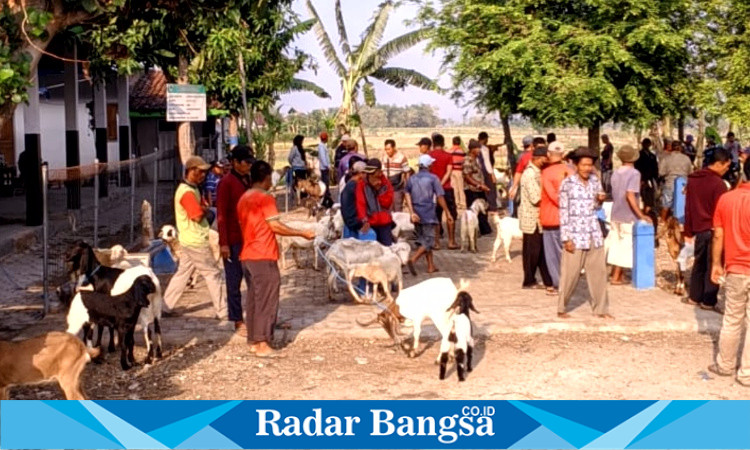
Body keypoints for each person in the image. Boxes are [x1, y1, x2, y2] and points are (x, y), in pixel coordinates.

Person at [237, 161, 315, 357]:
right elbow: (275, 226)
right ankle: (263, 343)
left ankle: (254, 341)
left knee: (254, 299)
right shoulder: (265, 198)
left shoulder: (244, 198)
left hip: (247, 255)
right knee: (267, 299)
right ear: (265, 178)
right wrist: (301, 233)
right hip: (263, 254)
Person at [163, 156, 227, 320]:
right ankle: (222, 311)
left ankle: (165, 307)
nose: (203, 175)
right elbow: (197, 216)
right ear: (191, 171)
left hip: (188, 239)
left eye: (205, 172)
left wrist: (204, 209)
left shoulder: (193, 189)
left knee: (182, 274)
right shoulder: (187, 192)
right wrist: (207, 211)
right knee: (213, 274)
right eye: (200, 172)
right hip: (196, 241)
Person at [708, 158, 750, 386]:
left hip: (735, 268)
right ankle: (746, 373)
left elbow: (718, 234)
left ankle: (725, 365)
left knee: (732, 318)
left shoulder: (727, 199)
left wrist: (716, 263)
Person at [558, 147, 612, 320]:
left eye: (590, 165)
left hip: (593, 233)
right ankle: (561, 307)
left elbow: (596, 207)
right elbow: (563, 211)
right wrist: (566, 238)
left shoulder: (596, 182)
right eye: (584, 165)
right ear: (575, 165)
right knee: (570, 274)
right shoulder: (567, 184)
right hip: (574, 234)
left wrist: (599, 200)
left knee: (598, 274)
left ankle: (601, 309)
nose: (587, 168)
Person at [683, 147, 731, 312]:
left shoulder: (693, 180)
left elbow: (687, 207)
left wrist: (688, 231)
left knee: (699, 263)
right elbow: (722, 210)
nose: (726, 170)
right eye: (726, 166)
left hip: (698, 229)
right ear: (719, 163)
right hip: (714, 229)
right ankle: (709, 300)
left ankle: (694, 296)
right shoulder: (718, 184)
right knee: (714, 264)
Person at [216, 145, 253, 336]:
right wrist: (223, 243)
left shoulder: (247, 180)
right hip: (232, 240)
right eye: (246, 162)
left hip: (249, 238)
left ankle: (256, 316)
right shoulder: (226, 183)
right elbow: (221, 214)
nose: (248, 166)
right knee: (234, 282)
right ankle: (237, 320)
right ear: (236, 163)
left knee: (253, 279)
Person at [607, 145, 652, 285]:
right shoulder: (634, 174)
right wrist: (641, 215)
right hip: (628, 214)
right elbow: (630, 195)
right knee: (626, 245)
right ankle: (617, 276)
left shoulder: (615, 172)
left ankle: (615, 273)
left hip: (615, 212)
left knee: (616, 243)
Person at [405, 155, 454, 274]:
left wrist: (411, 212)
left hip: (416, 213)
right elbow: (440, 196)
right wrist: (447, 212)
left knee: (423, 239)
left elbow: (407, 194)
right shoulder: (433, 178)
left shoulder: (412, 178)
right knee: (429, 241)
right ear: (429, 165)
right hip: (428, 213)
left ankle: (431, 266)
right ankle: (413, 259)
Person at [519, 146, 554, 293]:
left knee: (540, 252)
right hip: (531, 218)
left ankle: (547, 280)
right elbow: (536, 198)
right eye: (543, 159)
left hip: (538, 219)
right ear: (536, 158)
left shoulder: (538, 172)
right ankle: (529, 280)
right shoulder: (529, 175)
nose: (545, 162)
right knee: (532, 253)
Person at [541, 142, 572, 290]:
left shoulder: (546, 173)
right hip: (569, 218)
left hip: (551, 217)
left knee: (553, 255)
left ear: (548, 154)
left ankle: (560, 283)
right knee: (566, 252)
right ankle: (568, 279)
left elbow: (553, 196)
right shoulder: (569, 171)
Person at [429, 134, 458, 250]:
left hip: (432, 190)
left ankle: (436, 243)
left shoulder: (429, 156)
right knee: (450, 215)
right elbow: (449, 171)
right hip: (446, 188)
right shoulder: (448, 156)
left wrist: (436, 185)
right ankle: (451, 241)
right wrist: (441, 184)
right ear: (443, 143)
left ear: (433, 143)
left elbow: (429, 171)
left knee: (436, 216)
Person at [356, 159, 395, 246]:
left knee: (386, 249)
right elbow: (360, 204)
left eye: (372, 173)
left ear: (379, 172)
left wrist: (379, 191)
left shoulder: (386, 184)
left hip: (385, 222)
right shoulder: (362, 185)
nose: (370, 175)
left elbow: (387, 203)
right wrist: (364, 220)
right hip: (370, 223)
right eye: (369, 173)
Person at [462, 139, 492, 235]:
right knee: (473, 211)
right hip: (472, 189)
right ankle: (475, 230)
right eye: (477, 148)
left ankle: (484, 229)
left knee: (483, 208)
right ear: (472, 149)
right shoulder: (467, 160)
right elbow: (467, 177)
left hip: (479, 188)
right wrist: (479, 185)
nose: (479, 150)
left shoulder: (476, 159)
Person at [659, 140, 693, 222]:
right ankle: (682, 224)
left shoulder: (666, 159)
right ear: (681, 148)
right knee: (683, 205)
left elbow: (661, 172)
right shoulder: (686, 159)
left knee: (666, 205)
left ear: (671, 148)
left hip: (670, 184)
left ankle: (662, 223)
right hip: (683, 186)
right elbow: (690, 173)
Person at [509, 135, 535, 218]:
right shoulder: (531, 155)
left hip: (520, 181)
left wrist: (514, 186)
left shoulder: (520, 155)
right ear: (531, 145)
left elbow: (517, 171)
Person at [340, 161, 368, 237]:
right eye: (365, 173)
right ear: (360, 173)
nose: (366, 175)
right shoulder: (353, 186)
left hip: (349, 223)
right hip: (353, 225)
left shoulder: (349, 185)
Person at [382, 139, 410, 212]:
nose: (387, 151)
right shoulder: (384, 158)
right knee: (388, 208)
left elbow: (407, 172)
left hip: (398, 188)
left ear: (394, 147)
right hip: (387, 187)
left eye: (389, 149)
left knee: (398, 208)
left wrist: (407, 186)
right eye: (386, 149)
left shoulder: (402, 158)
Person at [478, 131, 498, 212]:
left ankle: (483, 205)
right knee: (491, 189)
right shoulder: (484, 148)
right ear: (486, 139)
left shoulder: (473, 147)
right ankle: (492, 206)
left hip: (477, 172)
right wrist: (492, 174)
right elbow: (487, 162)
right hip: (485, 171)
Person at [288, 134, 307, 202]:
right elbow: (290, 157)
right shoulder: (295, 148)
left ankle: (303, 196)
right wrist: (293, 163)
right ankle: (300, 197)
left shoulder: (301, 148)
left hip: (302, 168)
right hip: (297, 168)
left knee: (304, 183)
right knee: (299, 183)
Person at [450, 136, 467, 210]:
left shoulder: (449, 151)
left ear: (452, 142)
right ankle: (463, 203)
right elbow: (464, 161)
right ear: (459, 142)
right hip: (459, 171)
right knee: (461, 187)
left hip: (451, 171)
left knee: (454, 188)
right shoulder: (462, 151)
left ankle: (456, 203)